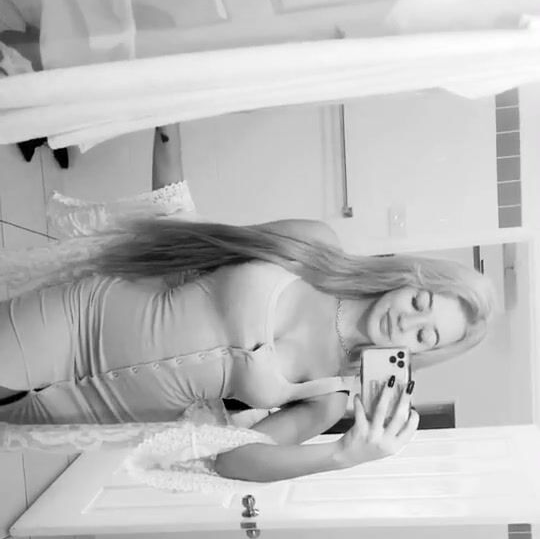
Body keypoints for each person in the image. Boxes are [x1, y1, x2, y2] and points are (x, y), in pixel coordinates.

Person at [0, 128, 494, 484]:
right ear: (407, 278)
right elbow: (194, 236)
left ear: (420, 354)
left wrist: (344, 455)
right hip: (84, 319)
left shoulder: (328, 399)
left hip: (100, 410)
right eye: (421, 300)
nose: (407, 320)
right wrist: (166, 123)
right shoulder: (314, 248)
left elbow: (233, 460)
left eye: (424, 334)